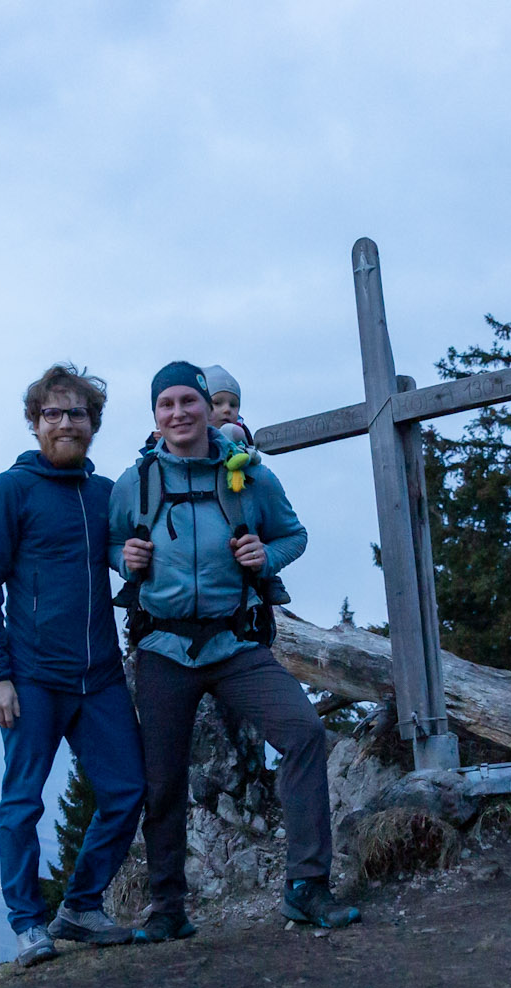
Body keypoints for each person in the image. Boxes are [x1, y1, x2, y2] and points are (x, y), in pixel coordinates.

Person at [109, 361, 361, 941]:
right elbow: (106, 542)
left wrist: (263, 559)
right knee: (162, 776)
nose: (178, 413)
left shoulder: (246, 474)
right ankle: (168, 908)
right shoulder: (137, 482)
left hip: (235, 640)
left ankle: (307, 888)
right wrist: (127, 561)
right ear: (155, 415)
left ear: (207, 406)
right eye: (165, 404)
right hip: (163, 643)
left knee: (302, 734)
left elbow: (293, 534)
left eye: (187, 402)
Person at [0, 364, 144, 966]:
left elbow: (122, 557)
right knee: (23, 801)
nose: (66, 422)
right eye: (53, 413)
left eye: (77, 413)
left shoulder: (106, 494)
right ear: (35, 423)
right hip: (32, 676)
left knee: (126, 790)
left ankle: (81, 906)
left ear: (93, 423)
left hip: (101, 677)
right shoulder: (9, 490)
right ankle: (27, 924)